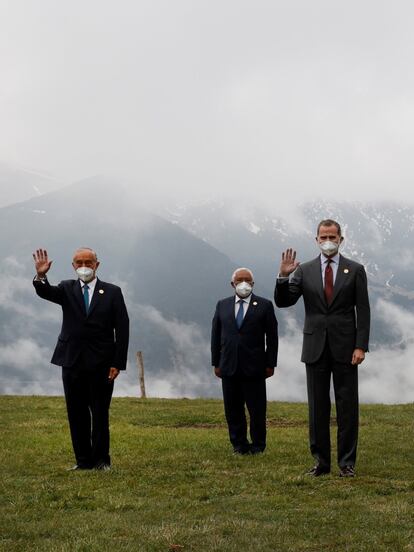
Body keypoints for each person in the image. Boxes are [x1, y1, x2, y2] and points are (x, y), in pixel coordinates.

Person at [275, 219, 370, 477]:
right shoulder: (304, 270)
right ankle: (321, 462)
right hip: (315, 346)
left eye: (332, 236)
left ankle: (347, 463)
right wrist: (283, 276)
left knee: (347, 406)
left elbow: (363, 310)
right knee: (317, 407)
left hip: (346, 347)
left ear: (341, 239)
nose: (328, 241)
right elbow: (284, 302)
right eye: (323, 237)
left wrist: (361, 345)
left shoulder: (355, 269)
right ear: (316, 239)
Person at [32, 247, 129, 471]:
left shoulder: (113, 292)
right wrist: (41, 275)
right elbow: (45, 292)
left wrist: (117, 362)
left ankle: (101, 460)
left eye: (88, 261)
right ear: (73, 266)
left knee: (100, 412)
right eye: (79, 262)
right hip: (72, 360)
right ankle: (83, 461)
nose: (84, 266)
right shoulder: (67, 288)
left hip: (102, 363)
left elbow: (122, 329)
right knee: (76, 413)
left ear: (97, 265)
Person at [211, 268, 278, 454]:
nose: (244, 283)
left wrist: (270, 363)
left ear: (253, 283)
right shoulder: (222, 305)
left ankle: (258, 445)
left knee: (257, 410)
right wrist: (216, 362)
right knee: (233, 409)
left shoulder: (264, 305)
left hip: (255, 367)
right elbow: (215, 335)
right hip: (228, 365)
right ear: (232, 284)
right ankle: (239, 445)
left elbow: (272, 338)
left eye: (247, 280)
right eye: (239, 280)